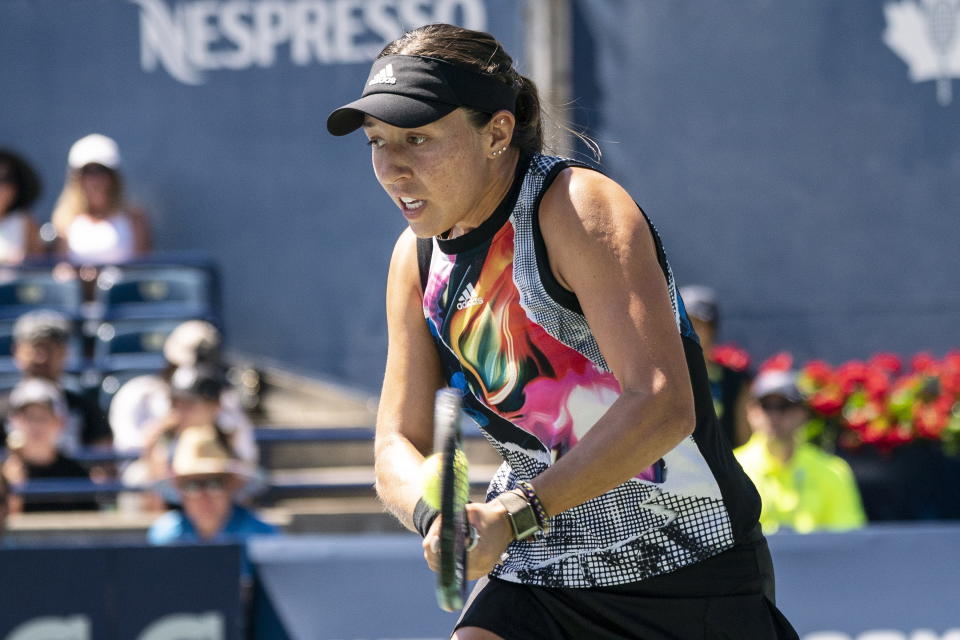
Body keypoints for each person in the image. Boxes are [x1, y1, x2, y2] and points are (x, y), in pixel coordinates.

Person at [327, 24, 797, 639]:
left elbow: (663, 404)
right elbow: (396, 445)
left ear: (497, 131)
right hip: (537, 571)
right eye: (377, 142)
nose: (392, 168)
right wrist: (437, 515)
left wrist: (515, 515)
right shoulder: (413, 262)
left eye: (417, 138)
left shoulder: (577, 207)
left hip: (685, 565)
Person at [735, 369, 866, 534]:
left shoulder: (834, 471)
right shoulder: (730, 470)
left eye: (784, 406)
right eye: (765, 406)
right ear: (750, 412)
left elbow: (848, 539)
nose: (774, 415)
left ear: (803, 413)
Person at [109, 320, 257, 463]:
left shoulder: (223, 402)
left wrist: (218, 431)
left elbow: (246, 459)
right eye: (182, 368)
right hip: (154, 479)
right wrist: (166, 426)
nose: (194, 375)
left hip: (210, 481)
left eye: (202, 369)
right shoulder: (138, 394)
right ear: (170, 363)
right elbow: (128, 453)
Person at [147, 422, 275, 578]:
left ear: (231, 486)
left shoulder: (262, 536)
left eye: (214, 484)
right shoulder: (165, 536)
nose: (203, 496)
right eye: (192, 486)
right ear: (180, 492)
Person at [2, 309, 112, 453]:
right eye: (35, 348)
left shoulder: (85, 409)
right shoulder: (2, 409)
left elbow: (103, 465)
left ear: (64, 353)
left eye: (49, 349)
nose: (41, 358)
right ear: (17, 351)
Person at [1, 378, 99, 512]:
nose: (36, 426)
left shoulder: (76, 473)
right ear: (13, 422)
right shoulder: (5, 475)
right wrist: (14, 492)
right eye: (28, 417)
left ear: (60, 422)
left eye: (43, 417)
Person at [51, 133, 150, 264]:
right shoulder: (64, 220)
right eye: (87, 171)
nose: (95, 179)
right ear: (76, 178)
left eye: (101, 170)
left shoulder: (134, 217)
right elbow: (62, 268)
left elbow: (142, 268)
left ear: (114, 177)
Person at [679, 285, 753, 447]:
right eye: (685, 322)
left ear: (712, 329)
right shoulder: (663, 377)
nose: (690, 330)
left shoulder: (734, 380)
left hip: (718, 468)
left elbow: (744, 438)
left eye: (698, 324)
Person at [0, 148, 44, 264]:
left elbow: (38, 265)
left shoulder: (24, 221)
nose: (2, 188)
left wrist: (23, 260)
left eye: (6, 179)